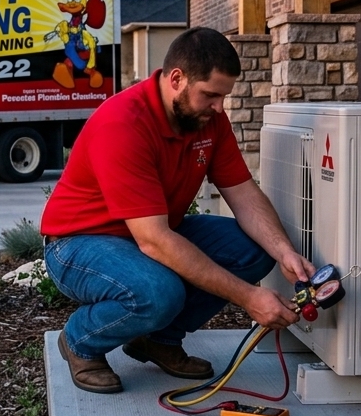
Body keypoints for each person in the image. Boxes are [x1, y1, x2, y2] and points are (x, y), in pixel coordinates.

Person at [41, 26, 314, 393]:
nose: (220, 107)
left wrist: (284, 252)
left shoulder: (207, 120)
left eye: (224, 96)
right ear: (176, 79)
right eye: (211, 95)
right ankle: (80, 340)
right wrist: (250, 298)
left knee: (253, 250)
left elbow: (244, 193)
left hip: (151, 232)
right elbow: (154, 242)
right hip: (79, 243)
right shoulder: (124, 124)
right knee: (158, 292)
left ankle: (158, 340)